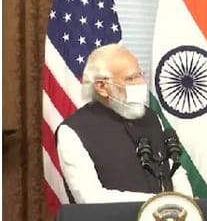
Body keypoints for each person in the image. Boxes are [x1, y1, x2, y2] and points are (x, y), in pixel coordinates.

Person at [56, 44, 193, 203]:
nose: (141, 83)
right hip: (114, 220)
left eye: (140, 75)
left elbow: (174, 170)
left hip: (169, 217)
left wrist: (187, 203)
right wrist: (158, 203)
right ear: (102, 87)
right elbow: (90, 197)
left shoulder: (150, 117)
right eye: (131, 78)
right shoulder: (73, 131)